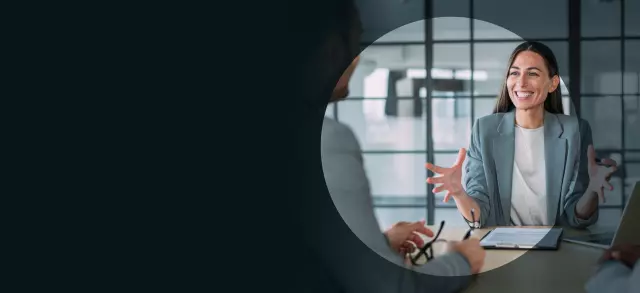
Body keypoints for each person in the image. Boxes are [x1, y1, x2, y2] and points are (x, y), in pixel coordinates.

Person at [320, 50, 485, 289]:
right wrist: (462, 261)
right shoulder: (329, 139)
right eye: (349, 46)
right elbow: (391, 287)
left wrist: (382, 244)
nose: (356, 60)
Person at [425, 41, 618, 229]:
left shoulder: (575, 131)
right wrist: (460, 194)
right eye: (514, 73)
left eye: (532, 73)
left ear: (553, 83)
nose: (521, 82)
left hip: (557, 246)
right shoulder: (484, 130)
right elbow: (479, 216)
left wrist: (592, 190)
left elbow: (576, 217)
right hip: (503, 246)